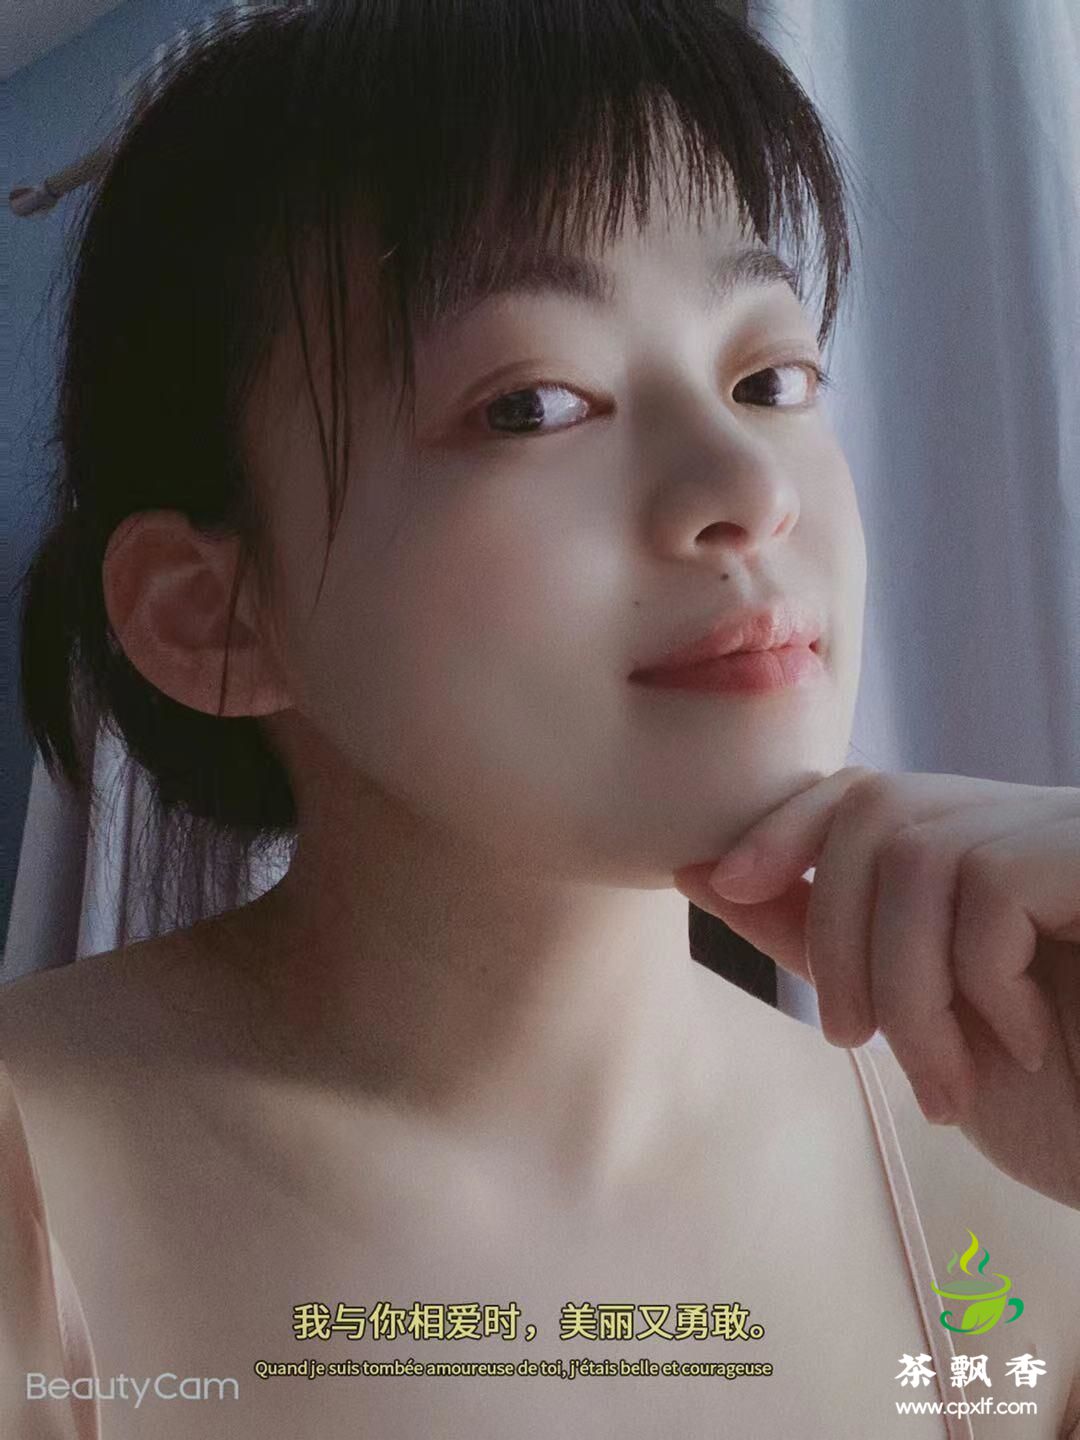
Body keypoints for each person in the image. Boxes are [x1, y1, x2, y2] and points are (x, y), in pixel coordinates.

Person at [4, 0, 1079, 1435]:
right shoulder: (30, 1189)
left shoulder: (1012, 1207)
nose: (748, 490)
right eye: (536, 405)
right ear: (217, 615)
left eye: (770, 379)